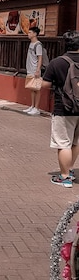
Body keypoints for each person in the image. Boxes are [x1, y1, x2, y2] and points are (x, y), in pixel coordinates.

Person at [42, 30, 79, 187]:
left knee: (63, 143)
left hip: (64, 108)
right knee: (75, 142)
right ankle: (69, 169)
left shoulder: (57, 62)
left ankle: (64, 177)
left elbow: (45, 85)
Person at [24, 27, 44, 116]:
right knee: (31, 88)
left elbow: (40, 58)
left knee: (37, 88)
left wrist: (38, 70)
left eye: (30, 32)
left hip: (35, 69)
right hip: (29, 68)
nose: (28, 34)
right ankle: (32, 106)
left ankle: (36, 108)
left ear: (35, 34)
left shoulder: (38, 44)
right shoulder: (31, 43)